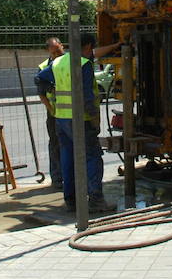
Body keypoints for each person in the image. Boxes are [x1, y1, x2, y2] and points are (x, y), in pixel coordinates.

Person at [36, 33, 115, 212]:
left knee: (68, 158)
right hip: (82, 120)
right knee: (92, 157)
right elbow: (87, 97)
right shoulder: (84, 64)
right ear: (87, 47)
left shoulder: (58, 62)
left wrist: (51, 92)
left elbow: (39, 78)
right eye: (91, 50)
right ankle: (95, 200)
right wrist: (95, 118)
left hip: (61, 120)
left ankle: (71, 200)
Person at [34, 37, 64, 189]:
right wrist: (51, 110)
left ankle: (70, 177)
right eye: (54, 52)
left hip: (71, 114)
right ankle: (57, 178)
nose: (57, 54)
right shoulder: (44, 67)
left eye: (58, 50)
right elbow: (42, 94)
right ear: (48, 51)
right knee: (55, 145)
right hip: (54, 115)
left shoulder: (68, 62)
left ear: (62, 46)